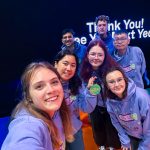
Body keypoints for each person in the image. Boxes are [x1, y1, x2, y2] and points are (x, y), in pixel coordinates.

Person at [1, 62, 74, 150]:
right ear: (28, 96)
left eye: (54, 82)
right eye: (39, 86)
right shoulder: (28, 124)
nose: (50, 90)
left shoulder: (56, 108)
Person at [80, 39, 121, 150]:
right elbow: (83, 95)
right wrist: (89, 90)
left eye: (100, 54)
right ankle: (101, 146)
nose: (96, 58)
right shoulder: (83, 71)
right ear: (87, 54)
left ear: (104, 56)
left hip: (111, 105)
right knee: (97, 128)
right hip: (94, 107)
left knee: (112, 128)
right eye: (93, 54)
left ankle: (112, 146)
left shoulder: (112, 68)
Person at [54, 49, 97, 150]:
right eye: (65, 63)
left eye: (73, 65)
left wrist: (91, 93)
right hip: (53, 133)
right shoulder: (47, 84)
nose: (69, 68)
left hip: (74, 131)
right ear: (56, 64)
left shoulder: (76, 84)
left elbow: (86, 108)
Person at [103, 66, 150, 150]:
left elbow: (149, 127)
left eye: (119, 79)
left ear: (125, 79)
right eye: (111, 82)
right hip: (131, 136)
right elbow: (116, 122)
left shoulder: (141, 97)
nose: (117, 84)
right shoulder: (109, 101)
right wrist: (124, 139)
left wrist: (144, 147)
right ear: (107, 86)